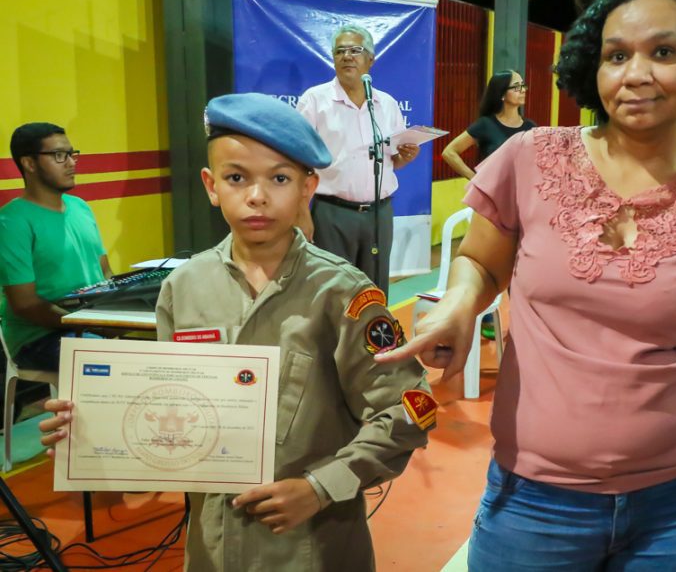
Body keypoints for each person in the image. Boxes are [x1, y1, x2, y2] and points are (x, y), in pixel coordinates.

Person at [379, 0, 676, 570]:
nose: (635, 74)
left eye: (663, 52)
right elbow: (479, 262)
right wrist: (457, 303)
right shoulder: (529, 159)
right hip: (533, 505)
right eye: (616, 55)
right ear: (592, 69)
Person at [39, 93, 435, 570]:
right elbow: (170, 410)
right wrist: (93, 431)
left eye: (280, 178)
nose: (257, 196)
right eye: (236, 178)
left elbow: (415, 407)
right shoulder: (183, 289)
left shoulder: (344, 294)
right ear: (211, 185)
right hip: (212, 546)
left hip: (313, 546)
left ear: (308, 187)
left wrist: (322, 486)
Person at [295, 24, 420, 300]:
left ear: (370, 59)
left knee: (375, 291)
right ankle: (335, 344)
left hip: (379, 214)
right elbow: (297, 161)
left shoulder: (386, 104)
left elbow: (391, 161)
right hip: (332, 214)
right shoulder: (315, 101)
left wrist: (403, 157)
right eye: (340, 51)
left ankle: (375, 343)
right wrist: (302, 213)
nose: (347, 56)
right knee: (333, 291)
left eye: (355, 50)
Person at [0, 123, 112, 372]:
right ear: (29, 163)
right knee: (113, 362)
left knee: (160, 345)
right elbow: (25, 304)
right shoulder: (11, 222)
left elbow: (105, 273)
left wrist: (119, 313)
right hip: (38, 338)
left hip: (88, 324)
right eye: (59, 156)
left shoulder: (81, 207)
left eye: (73, 154)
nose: (71, 163)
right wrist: (87, 324)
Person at [441, 70, 537, 179]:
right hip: (492, 194)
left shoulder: (530, 127)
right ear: (502, 94)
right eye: (516, 87)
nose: (523, 90)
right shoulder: (485, 125)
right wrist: (475, 179)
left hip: (522, 192)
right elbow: (449, 152)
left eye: (523, 85)